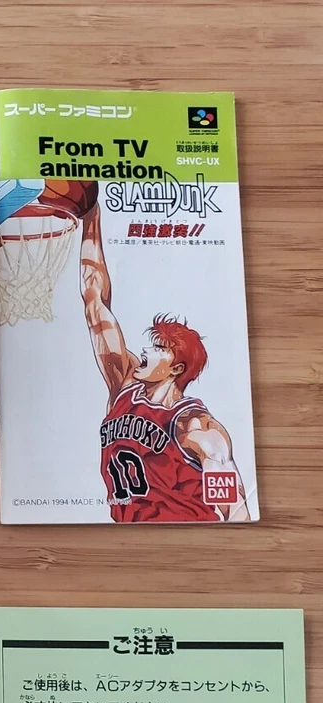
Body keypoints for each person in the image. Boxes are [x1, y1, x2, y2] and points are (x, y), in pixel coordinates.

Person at [80, 193, 249, 522]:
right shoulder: (123, 386)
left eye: (159, 348)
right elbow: (94, 301)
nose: (145, 351)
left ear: (177, 368)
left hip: (188, 533)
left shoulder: (194, 426)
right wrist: (90, 217)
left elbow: (235, 506)